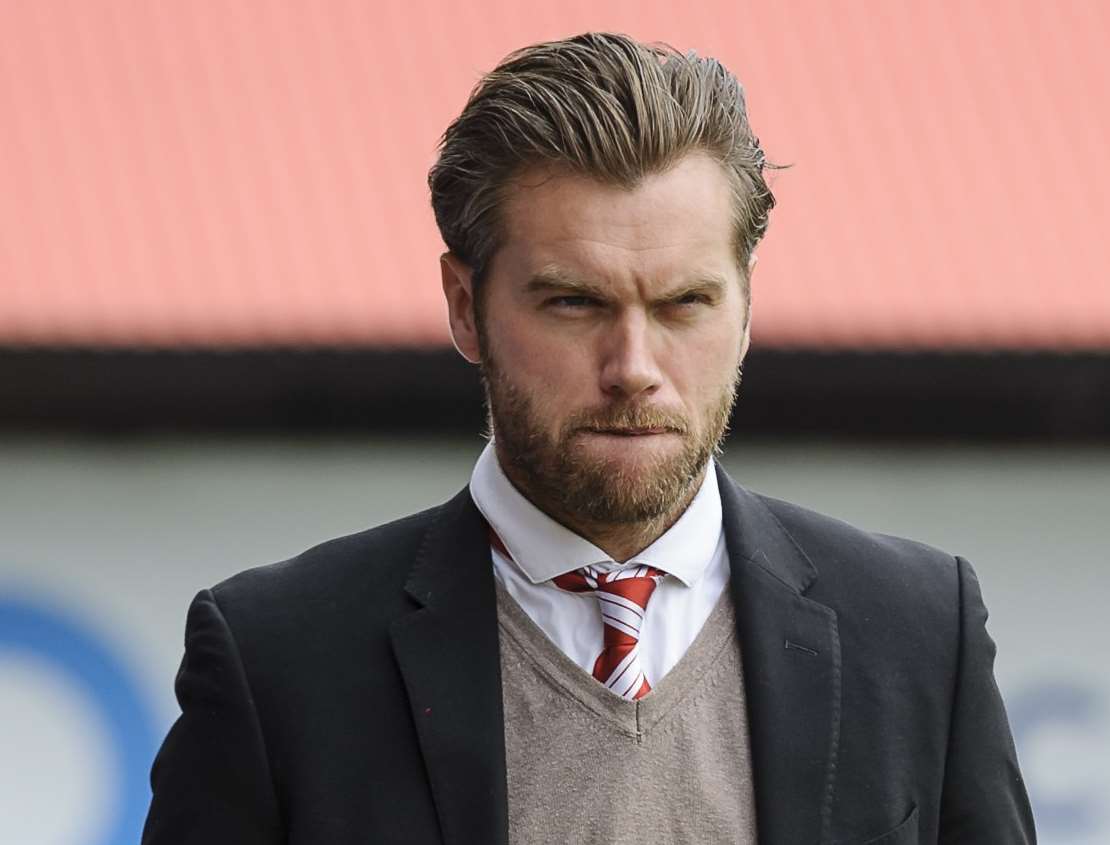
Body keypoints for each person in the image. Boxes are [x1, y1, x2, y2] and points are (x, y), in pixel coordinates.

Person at [143, 32, 1035, 844]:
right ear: (465, 308)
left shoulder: (920, 629)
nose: (633, 365)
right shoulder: (279, 657)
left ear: (746, 307)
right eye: (575, 302)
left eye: (685, 302)